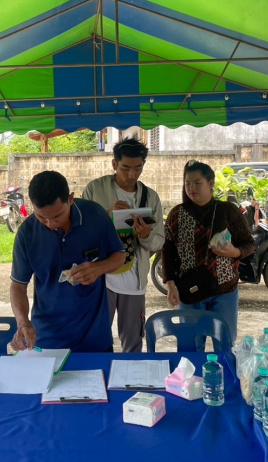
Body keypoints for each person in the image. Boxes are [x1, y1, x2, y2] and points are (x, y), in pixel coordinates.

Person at [10, 171, 126, 352]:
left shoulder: (95, 217)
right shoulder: (27, 233)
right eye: (41, 217)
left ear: (70, 199)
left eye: (57, 216)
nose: (50, 224)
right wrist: (23, 322)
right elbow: (18, 286)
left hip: (94, 337)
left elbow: (120, 255)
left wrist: (99, 268)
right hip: (47, 339)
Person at [162, 160, 255, 349]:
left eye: (197, 183)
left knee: (224, 344)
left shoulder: (227, 211)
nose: (191, 188)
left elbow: (249, 244)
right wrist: (170, 284)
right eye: (188, 183)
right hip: (190, 290)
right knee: (191, 346)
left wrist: (234, 252)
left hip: (224, 290)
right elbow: (168, 251)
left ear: (211, 183)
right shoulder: (176, 214)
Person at [82, 138, 164, 352]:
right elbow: (82, 232)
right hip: (102, 278)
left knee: (133, 341)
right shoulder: (95, 189)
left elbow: (158, 240)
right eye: (125, 168)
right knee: (96, 339)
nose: (131, 175)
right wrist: (108, 217)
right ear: (114, 164)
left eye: (138, 168)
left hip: (135, 281)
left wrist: (145, 235)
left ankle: (131, 373)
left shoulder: (150, 197)